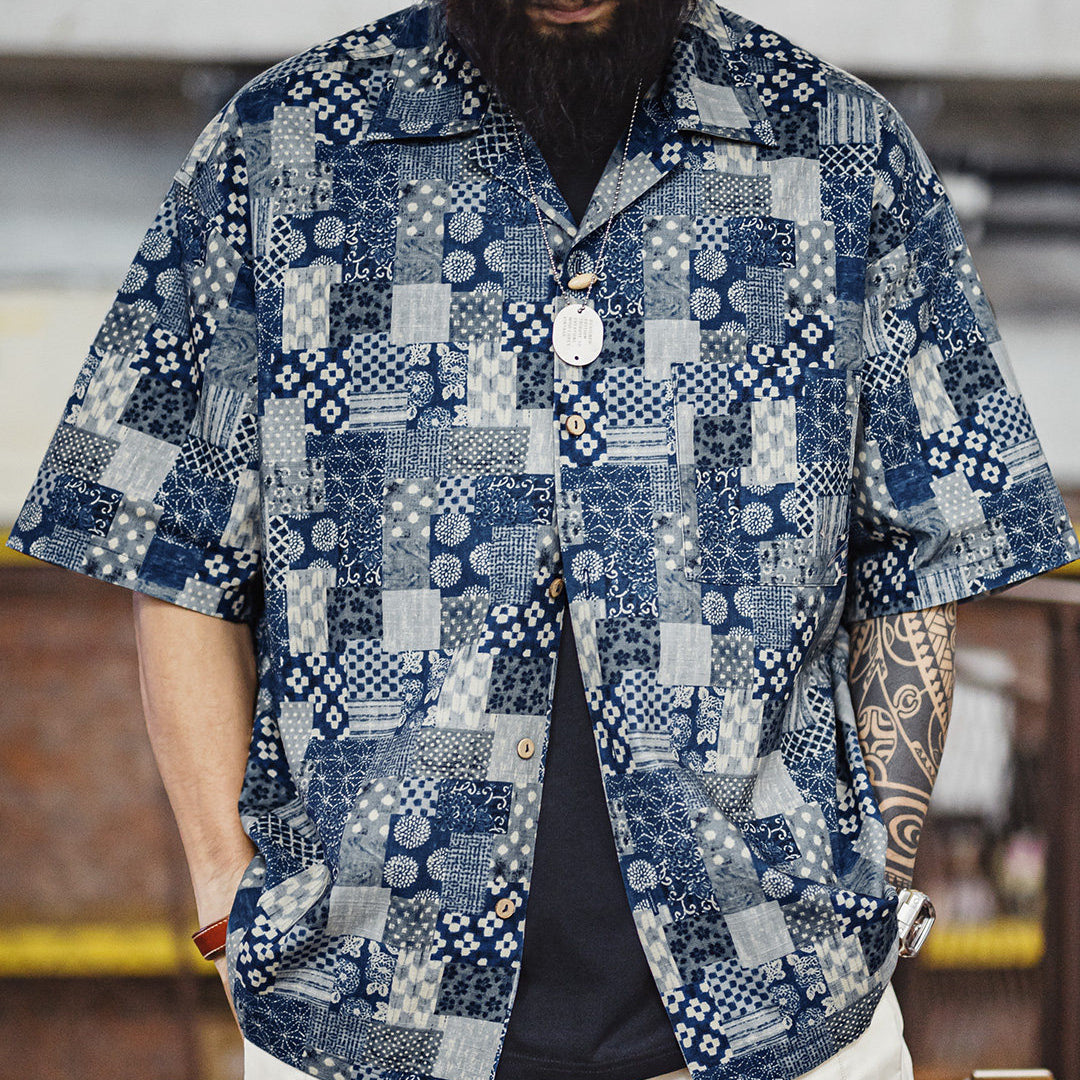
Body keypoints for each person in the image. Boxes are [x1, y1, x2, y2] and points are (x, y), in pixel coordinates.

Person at [8, 0, 1079, 1078]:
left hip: (788, 1022)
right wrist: (222, 899)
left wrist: (871, 895)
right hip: (360, 1021)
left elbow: (927, 550)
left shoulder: (842, 151)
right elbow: (170, 539)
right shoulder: (279, 149)